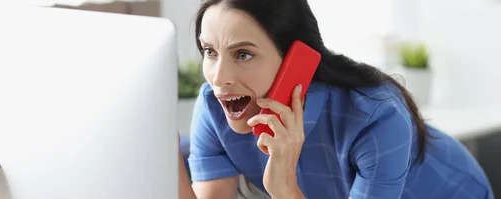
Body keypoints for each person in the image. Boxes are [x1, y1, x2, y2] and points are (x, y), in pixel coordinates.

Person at [177, 0, 494, 198]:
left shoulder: (376, 118)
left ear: (296, 59)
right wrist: (162, 150)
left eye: (243, 54)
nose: (218, 77)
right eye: (209, 52)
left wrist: (283, 186)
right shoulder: (214, 106)